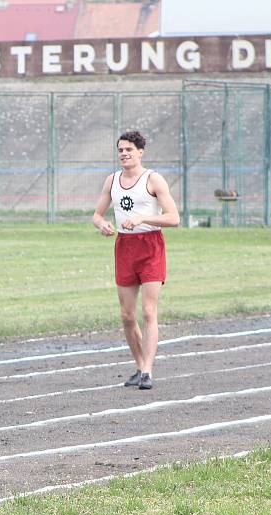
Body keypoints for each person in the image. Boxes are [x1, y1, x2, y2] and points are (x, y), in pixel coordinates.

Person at [92, 131, 180, 390]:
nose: (124, 154)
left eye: (129, 149)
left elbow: (173, 218)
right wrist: (102, 224)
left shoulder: (153, 180)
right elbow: (97, 215)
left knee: (148, 311)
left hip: (150, 245)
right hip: (125, 247)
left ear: (140, 152)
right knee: (127, 315)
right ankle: (140, 366)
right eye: (120, 150)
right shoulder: (112, 181)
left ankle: (148, 371)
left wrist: (143, 218)